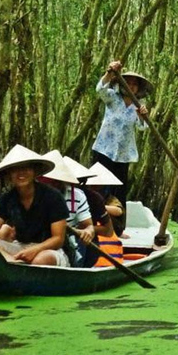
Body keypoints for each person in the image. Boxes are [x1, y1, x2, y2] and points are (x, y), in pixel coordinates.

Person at [0, 145, 69, 266]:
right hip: (19, 248)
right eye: (16, 169)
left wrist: (35, 250)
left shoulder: (53, 196)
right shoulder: (7, 199)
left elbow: (58, 239)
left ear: (34, 171)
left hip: (49, 250)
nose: (21, 173)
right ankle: (13, 263)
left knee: (40, 260)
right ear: (9, 175)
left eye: (26, 168)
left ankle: (13, 264)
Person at [91, 59, 152, 222]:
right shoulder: (112, 98)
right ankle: (95, 221)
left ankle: (118, 226)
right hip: (104, 149)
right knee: (99, 187)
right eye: (128, 83)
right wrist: (109, 73)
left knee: (120, 189)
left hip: (123, 154)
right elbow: (100, 89)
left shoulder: (138, 106)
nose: (131, 86)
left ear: (138, 88)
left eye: (134, 84)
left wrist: (143, 116)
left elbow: (142, 127)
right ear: (121, 84)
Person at [63, 156, 122, 267]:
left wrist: (80, 230)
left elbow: (108, 231)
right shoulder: (45, 194)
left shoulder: (93, 198)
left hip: (86, 244)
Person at [39, 150, 95, 267]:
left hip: (65, 246)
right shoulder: (30, 194)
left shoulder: (77, 196)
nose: (49, 186)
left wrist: (88, 232)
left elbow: (89, 226)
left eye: (54, 182)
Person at [87, 162, 126, 236]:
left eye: (99, 185)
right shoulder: (85, 195)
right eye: (93, 186)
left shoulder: (109, 198)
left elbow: (118, 211)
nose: (96, 187)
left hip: (106, 227)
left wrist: (100, 207)